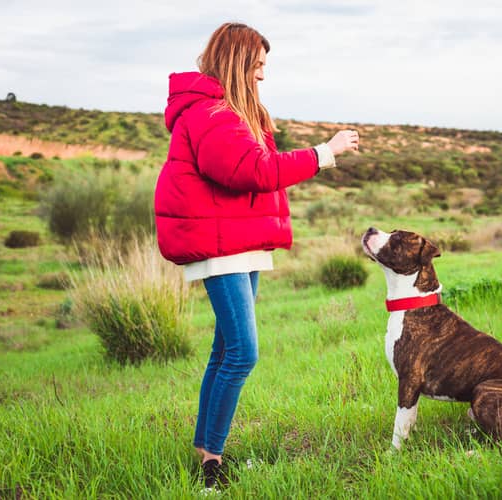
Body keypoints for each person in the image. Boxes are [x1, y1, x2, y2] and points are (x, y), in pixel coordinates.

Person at [153, 22, 359, 490]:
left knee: (225, 350)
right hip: (220, 247)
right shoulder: (211, 114)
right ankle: (212, 467)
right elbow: (254, 170)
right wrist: (324, 152)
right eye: (258, 66)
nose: (262, 76)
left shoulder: (228, 112)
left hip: (237, 243)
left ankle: (208, 454)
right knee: (242, 353)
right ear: (237, 62)